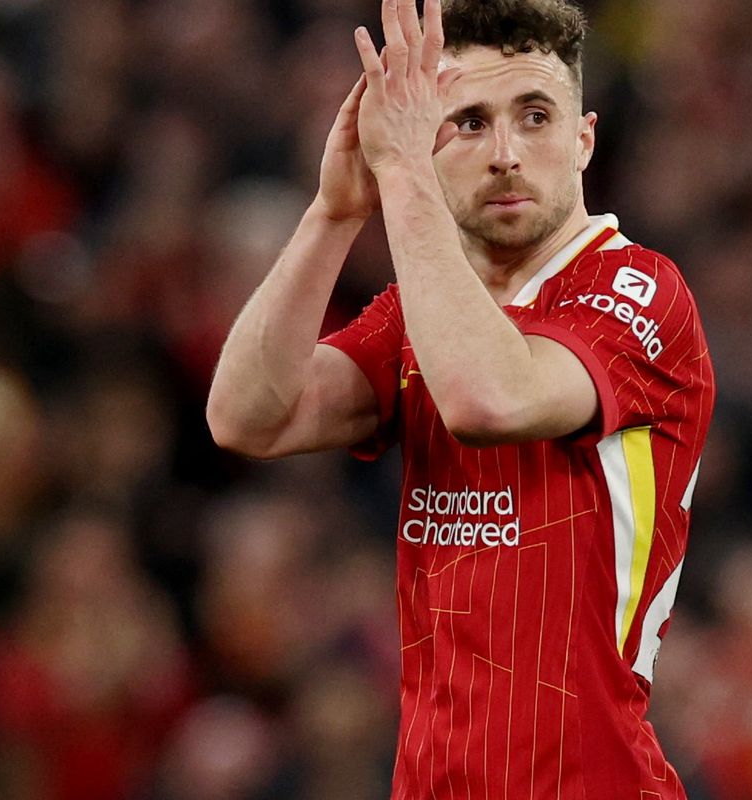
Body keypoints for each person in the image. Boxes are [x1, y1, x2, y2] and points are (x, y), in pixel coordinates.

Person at [207, 0, 714, 796]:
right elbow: (247, 416)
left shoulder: (640, 290)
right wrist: (335, 212)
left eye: (535, 116)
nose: (506, 154)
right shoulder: (423, 310)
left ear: (583, 140)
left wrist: (406, 175)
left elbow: (489, 400)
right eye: (470, 123)